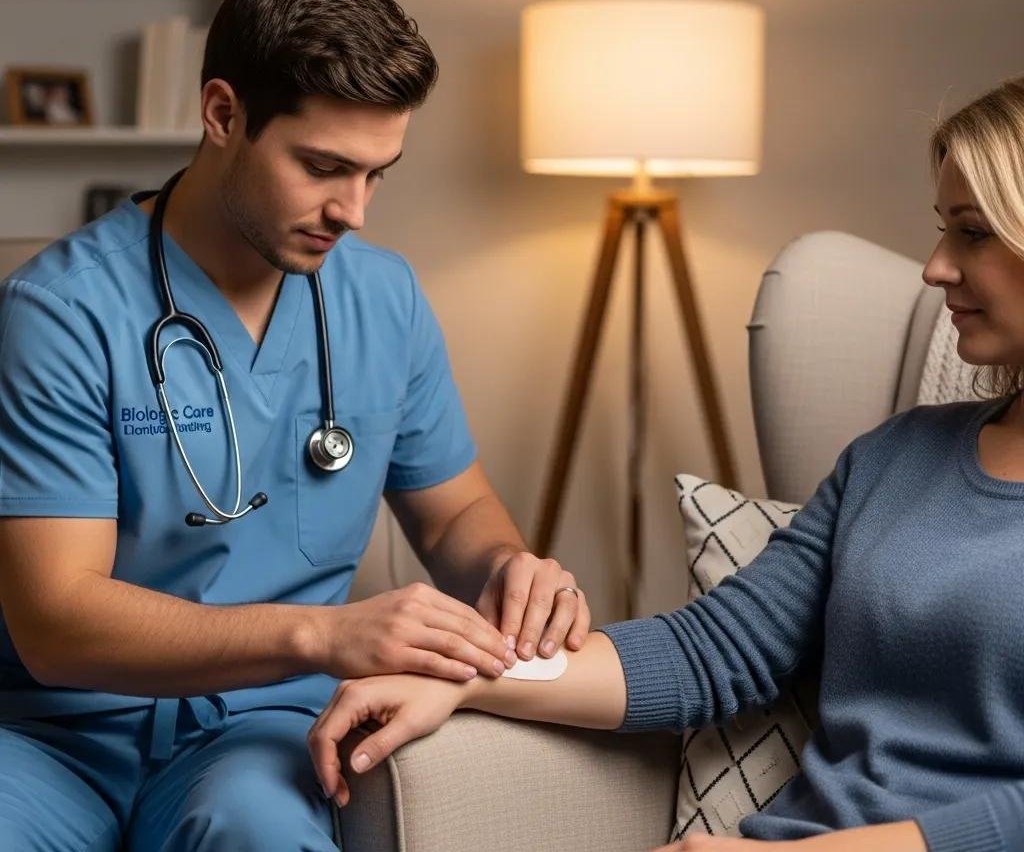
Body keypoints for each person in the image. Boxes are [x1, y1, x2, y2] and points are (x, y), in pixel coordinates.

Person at [309, 76, 1024, 852]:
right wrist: (465, 678)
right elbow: (712, 651)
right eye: (943, 230)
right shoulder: (896, 458)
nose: (935, 267)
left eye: (974, 233)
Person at [0, 0, 588, 851]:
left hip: (257, 731)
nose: (353, 211)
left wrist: (508, 567)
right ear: (224, 115)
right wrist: (320, 634)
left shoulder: (383, 300)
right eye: (322, 167)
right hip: (55, 737)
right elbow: (57, 622)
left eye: (377, 174)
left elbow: (456, 511)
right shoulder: (62, 312)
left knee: (260, 830)